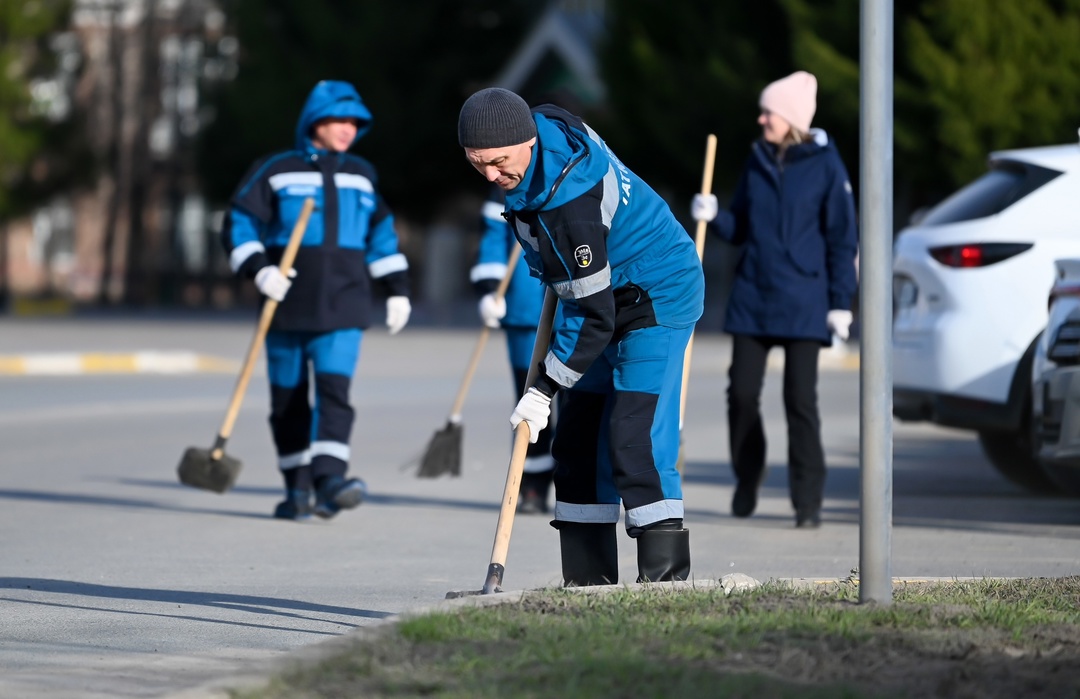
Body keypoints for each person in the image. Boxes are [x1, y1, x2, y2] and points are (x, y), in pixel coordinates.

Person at [457, 87, 705, 585]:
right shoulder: (543, 128)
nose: (490, 176)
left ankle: (664, 588)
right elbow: (587, 304)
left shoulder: (569, 205)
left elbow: (594, 317)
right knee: (577, 442)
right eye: (476, 163)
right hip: (599, 295)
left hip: (655, 294)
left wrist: (544, 388)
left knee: (634, 439)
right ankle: (589, 587)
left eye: (499, 162)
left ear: (528, 142)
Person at [221, 80, 411, 521]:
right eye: (339, 119)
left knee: (334, 392)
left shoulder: (362, 175)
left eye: (355, 121)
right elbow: (238, 222)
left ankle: (330, 480)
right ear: (314, 121)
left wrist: (398, 290)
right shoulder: (275, 169)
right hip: (284, 305)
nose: (349, 128)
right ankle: (297, 489)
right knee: (287, 401)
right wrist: (260, 269)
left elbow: (381, 237)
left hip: (344, 305)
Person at [690, 71, 858, 529]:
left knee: (799, 400)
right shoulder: (758, 160)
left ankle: (809, 501)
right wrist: (715, 217)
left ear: (791, 118)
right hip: (754, 297)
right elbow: (741, 226)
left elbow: (843, 237)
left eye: (770, 112)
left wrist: (841, 301)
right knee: (741, 394)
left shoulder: (827, 166)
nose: (762, 118)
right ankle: (748, 477)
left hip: (806, 299)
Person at [470, 184, 556, 514]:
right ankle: (530, 487)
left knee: (575, 407)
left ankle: (575, 488)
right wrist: (490, 290)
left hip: (573, 311)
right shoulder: (502, 190)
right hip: (524, 313)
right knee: (529, 402)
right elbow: (492, 240)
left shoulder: (571, 176)